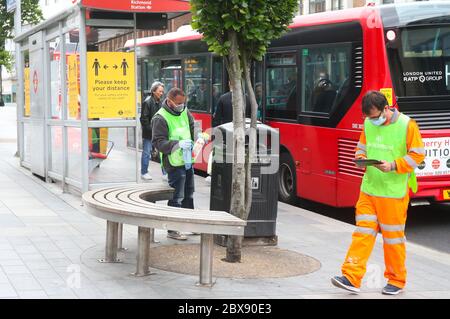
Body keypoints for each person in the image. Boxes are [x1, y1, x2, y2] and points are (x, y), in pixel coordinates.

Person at [331, 91, 425, 295]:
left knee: (393, 239)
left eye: (375, 116)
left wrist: (392, 165)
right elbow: (361, 148)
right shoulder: (367, 124)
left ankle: (397, 280)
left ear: (386, 108)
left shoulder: (407, 125)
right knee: (362, 233)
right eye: (368, 117)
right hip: (369, 189)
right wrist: (360, 158)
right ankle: (351, 277)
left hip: (393, 192)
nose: (372, 121)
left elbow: (417, 155)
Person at [151, 87, 197, 240]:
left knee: (189, 193)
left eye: (183, 103)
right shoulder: (160, 117)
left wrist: (195, 141)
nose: (181, 106)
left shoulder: (184, 111)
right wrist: (177, 144)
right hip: (173, 162)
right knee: (177, 195)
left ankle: (189, 225)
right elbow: (158, 143)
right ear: (169, 101)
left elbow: (192, 127)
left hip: (187, 159)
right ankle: (173, 229)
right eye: (178, 103)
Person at [140, 81, 165, 180]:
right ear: (154, 91)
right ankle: (144, 172)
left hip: (158, 133)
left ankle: (165, 173)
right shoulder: (147, 102)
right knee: (146, 152)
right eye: (160, 91)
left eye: (162, 91)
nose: (161, 93)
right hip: (149, 133)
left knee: (163, 153)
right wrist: (152, 130)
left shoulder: (160, 102)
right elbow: (144, 119)